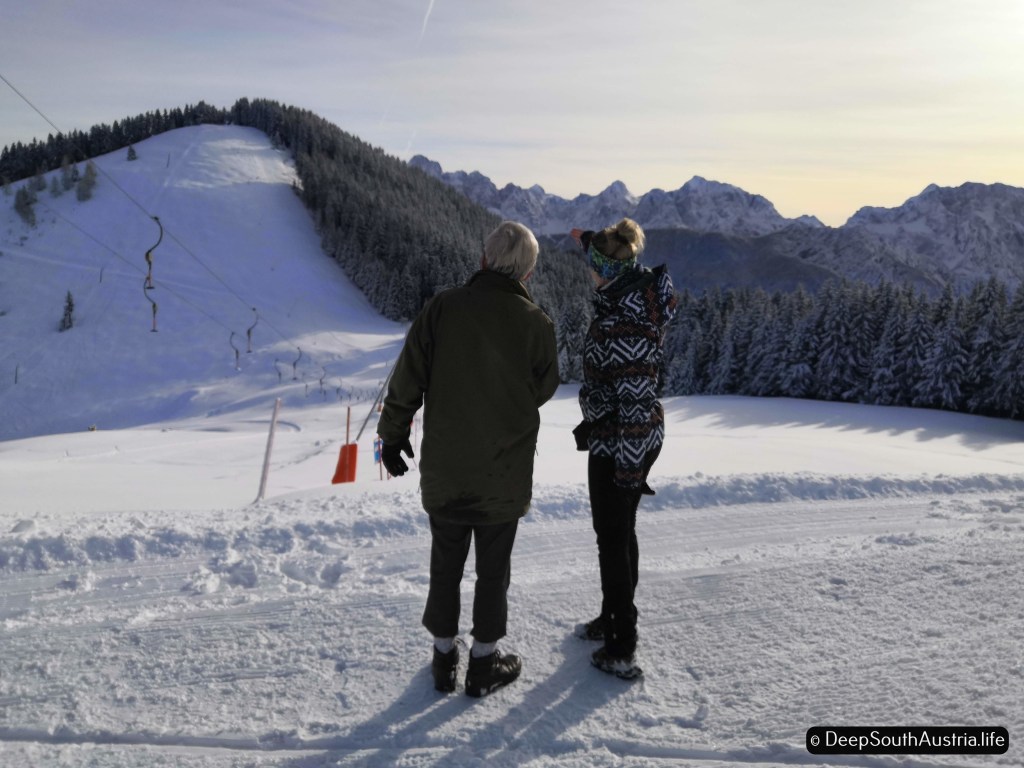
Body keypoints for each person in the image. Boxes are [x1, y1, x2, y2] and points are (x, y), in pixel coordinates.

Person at [376, 221, 560, 697]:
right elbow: (543, 388)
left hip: (447, 470)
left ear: (483, 259)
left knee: (446, 562)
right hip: (504, 470)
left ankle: (443, 660)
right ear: (528, 272)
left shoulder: (442, 309)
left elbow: (407, 377)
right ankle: (483, 665)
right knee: (493, 570)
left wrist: (392, 437)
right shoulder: (536, 323)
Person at [570, 218, 677, 679]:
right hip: (615, 436)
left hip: (624, 445)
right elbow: (601, 247)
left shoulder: (625, 323)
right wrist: (587, 239)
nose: (589, 274)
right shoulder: (628, 294)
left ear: (605, 273)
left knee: (613, 539)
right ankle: (612, 617)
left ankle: (621, 643)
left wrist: (628, 473)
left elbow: (633, 402)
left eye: (594, 268)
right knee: (618, 534)